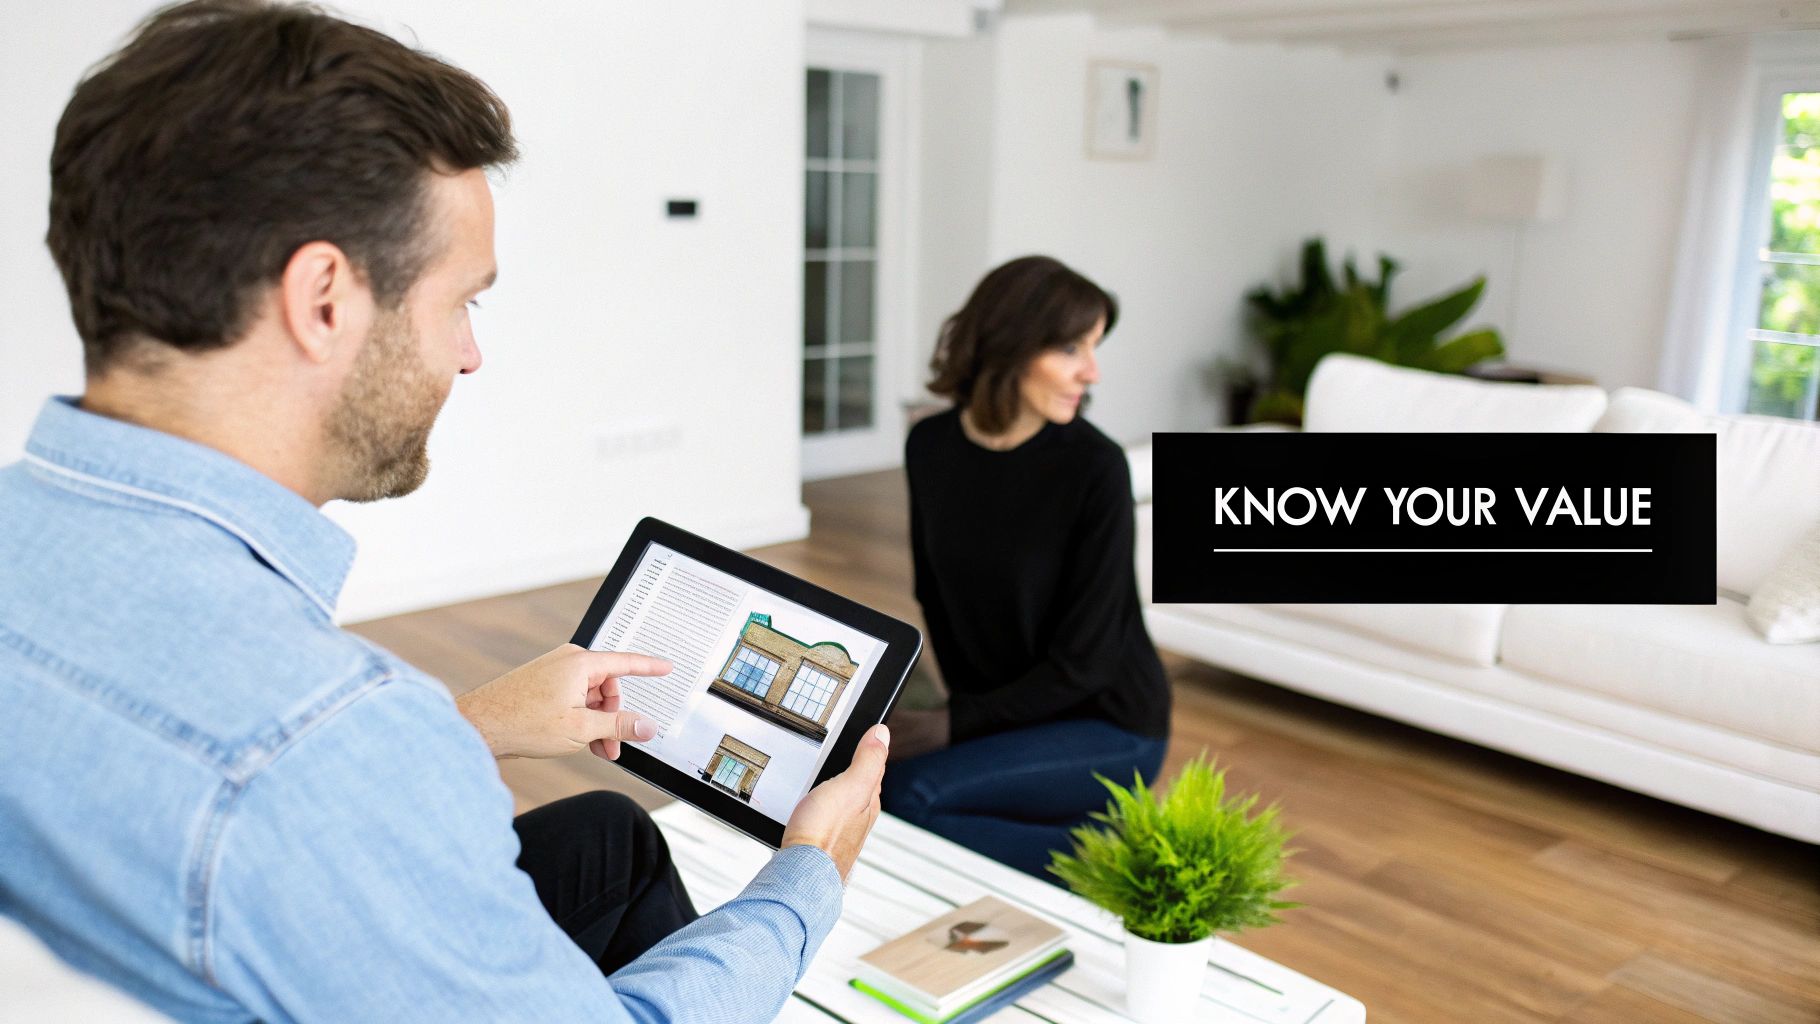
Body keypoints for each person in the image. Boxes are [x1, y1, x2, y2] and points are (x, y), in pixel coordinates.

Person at [0, 3, 889, 1022]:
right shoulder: (325, 739)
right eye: (463, 300)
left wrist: (464, 726)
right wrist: (806, 876)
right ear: (325, 298)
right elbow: (293, 781)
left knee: (608, 834)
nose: (471, 354)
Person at [881, 256, 1172, 880]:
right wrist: (966, 719)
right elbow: (935, 592)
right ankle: (1051, 829)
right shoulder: (929, 446)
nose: (1091, 373)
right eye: (1072, 348)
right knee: (862, 780)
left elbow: (1087, 664)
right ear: (1010, 344)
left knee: (909, 798)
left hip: (1109, 724)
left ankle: (1122, 864)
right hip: (1003, 712)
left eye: (1093, 349)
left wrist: (954, 727)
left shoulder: (1094, 469)